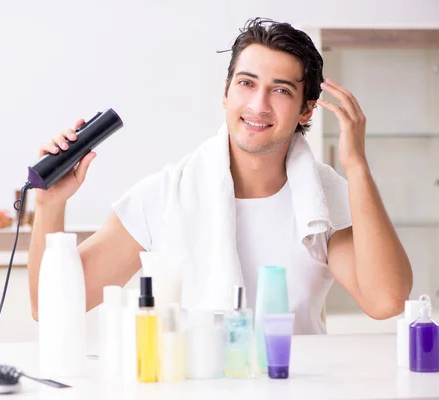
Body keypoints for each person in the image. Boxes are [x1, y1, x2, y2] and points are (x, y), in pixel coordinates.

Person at [27, 17, 412, 334]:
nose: (258, 105)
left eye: (280, 90)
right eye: (246, 83)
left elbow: (385, 301)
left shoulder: (322, 198)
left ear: (306, 111)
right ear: (226, 92)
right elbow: (52, 307)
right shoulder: (165, 196)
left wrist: (357, 165)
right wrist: (49, 205)